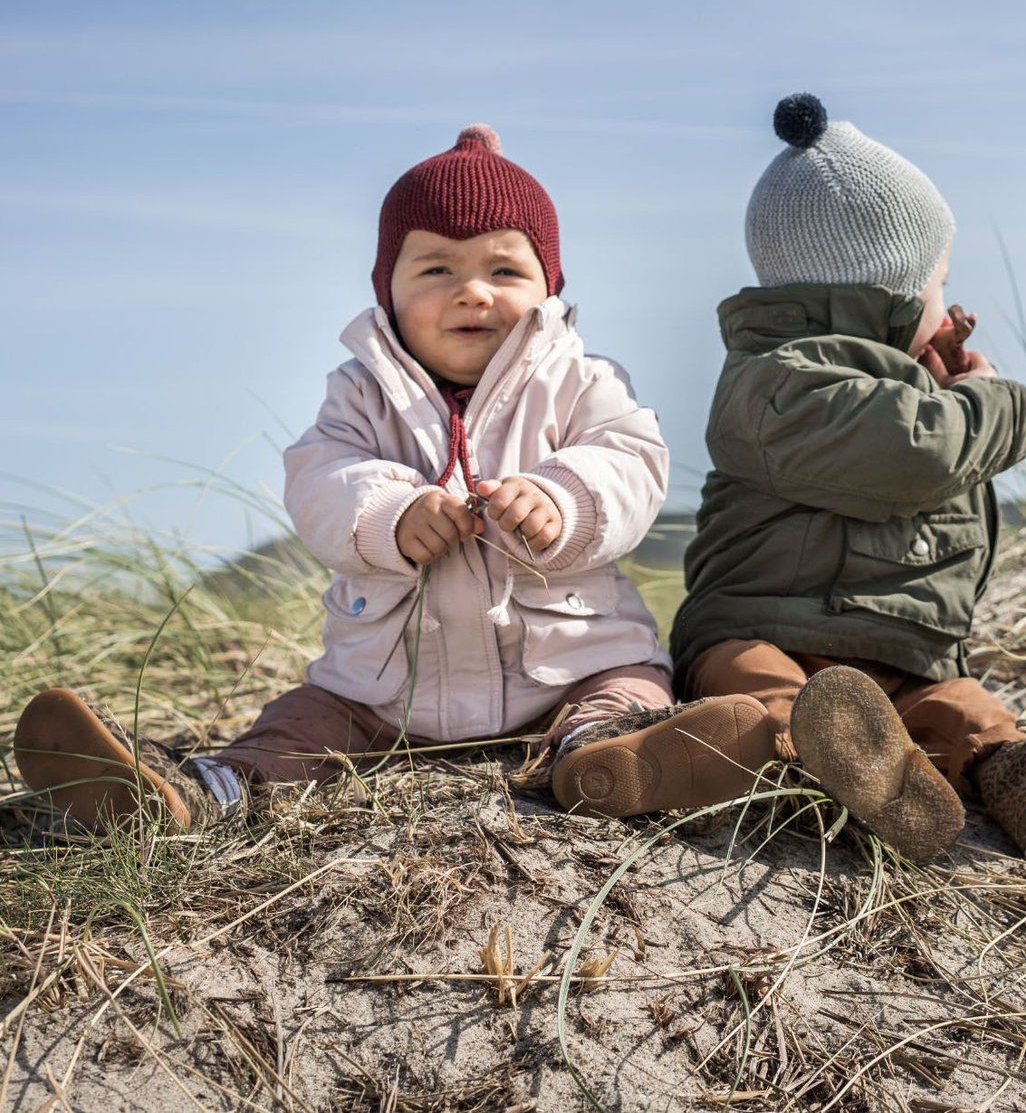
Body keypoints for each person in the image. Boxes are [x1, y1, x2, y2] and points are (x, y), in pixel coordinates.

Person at [14, 125, 777, 832]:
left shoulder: (581, 380)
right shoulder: (359, 392)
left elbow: (631, 460)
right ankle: (194, 795)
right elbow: (320, 479)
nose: (472, 291)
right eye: (437, 267)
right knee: (299, 725)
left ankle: (612, 761)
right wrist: (390, 513)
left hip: (573, 663)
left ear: (549, 286)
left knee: (627, 692)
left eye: (504, 269)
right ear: (389, 288)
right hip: (382, 693)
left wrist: (562, 496)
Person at [670, 93, 1026, 862]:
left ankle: (1020, 779)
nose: (950, 305)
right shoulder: (776, 380)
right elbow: (920, 458)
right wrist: (990, 403)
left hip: (895, 657)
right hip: (761, 629)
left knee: (959, 708)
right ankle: (795, 752)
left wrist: (931, 383)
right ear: (891, 290)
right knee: (757, 685)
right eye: (939, 285)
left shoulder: (906, 389)